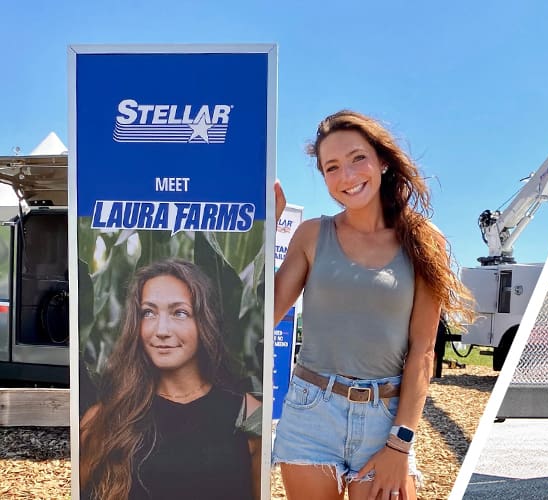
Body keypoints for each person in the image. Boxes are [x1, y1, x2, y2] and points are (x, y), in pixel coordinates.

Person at [273, 110, 472, 500]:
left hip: (386, 417)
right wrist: (263, 232)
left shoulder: (422, 240)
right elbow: (266, 316)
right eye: (332, 167)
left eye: (357, 158)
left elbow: (423, 352)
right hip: (312, 412)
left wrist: (400, 444)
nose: (347, 176)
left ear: (382, 161)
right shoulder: (313, 235)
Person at [80, 258, 262, 500]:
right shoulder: (104, 419)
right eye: (148, 313)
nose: (161, 330)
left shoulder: (249, 414)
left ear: (204, 322)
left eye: (179, 313)